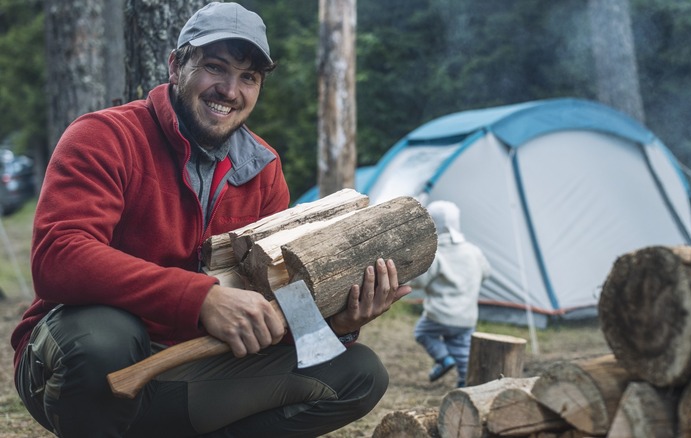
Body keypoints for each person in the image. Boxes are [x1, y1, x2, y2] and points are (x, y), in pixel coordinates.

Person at [10, 3, 411, 437]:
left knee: (359, 372)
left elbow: (276, 300)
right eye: (215, 67)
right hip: (78, 368)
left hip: (187, 370)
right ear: (176, 64)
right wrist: (201, 299)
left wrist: (339, 325)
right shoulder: (106, 137)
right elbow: (59, 257)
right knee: (105, 338)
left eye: (249, 78)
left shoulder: (263, 170)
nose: (230, 90)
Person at [410, 200, 491, 388]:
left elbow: (421, 281)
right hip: (466, 318)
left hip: (439, 316)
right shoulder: (473, 251)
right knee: (463, 351)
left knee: (422, 333)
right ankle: (465, 383)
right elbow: (486, 273)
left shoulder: (435, 254)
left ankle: (444, 359)